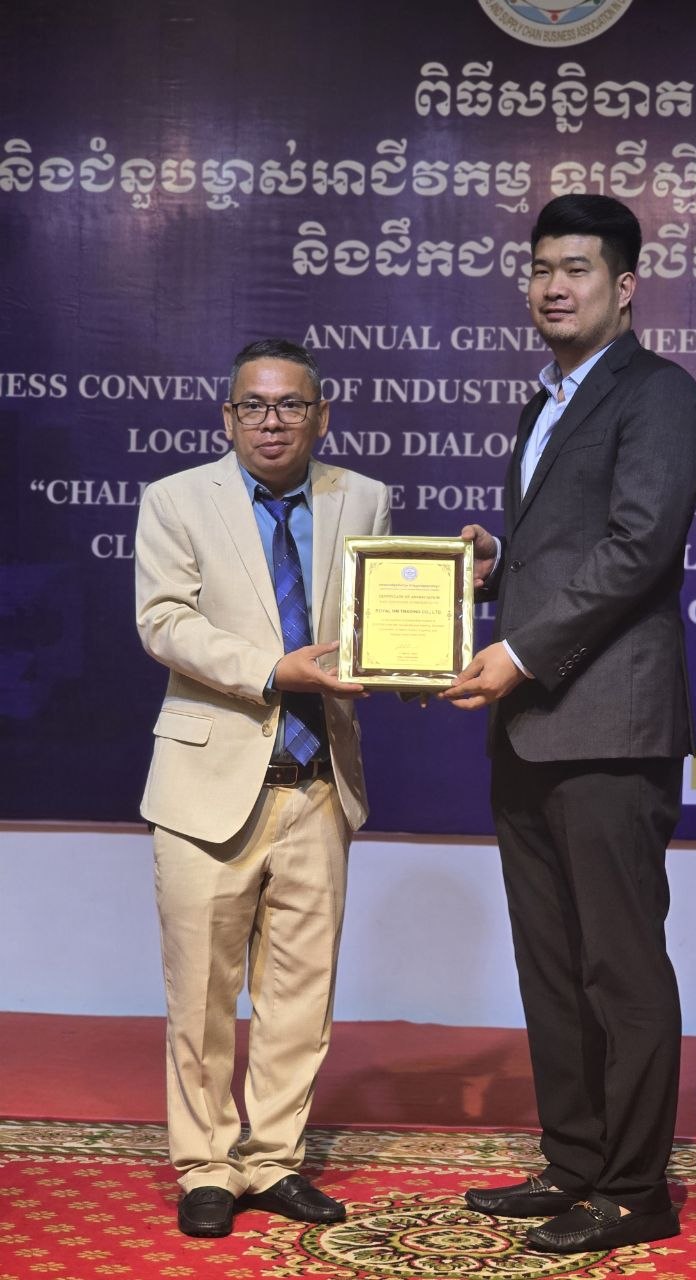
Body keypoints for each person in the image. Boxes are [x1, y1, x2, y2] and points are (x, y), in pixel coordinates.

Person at [440, 196, 696, 1254]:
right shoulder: (543, 402)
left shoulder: (660, 393)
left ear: (625, 285)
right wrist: (499, 567)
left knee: (619, 967)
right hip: (532, 727)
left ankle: (636, 1188)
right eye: (542, 268)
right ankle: (575, 1161)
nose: (554, 287)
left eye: (578, 269)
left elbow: (638, 549)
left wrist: (515, 650)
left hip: (608, 727)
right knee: (552, 963)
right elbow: (570, 549)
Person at [135, 338, 391, 1238]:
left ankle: (275, 1159)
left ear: (322, 416)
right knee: (201, 995)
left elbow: (381, 619)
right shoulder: (175, 500)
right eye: (254, 405)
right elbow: (163, 622)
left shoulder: (364, 498)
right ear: (228, 416)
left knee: (299, 997)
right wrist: (273, 670)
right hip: (207, 784)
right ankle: (207, 1166)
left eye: (290, 405)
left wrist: (444, 609)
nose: (271, 421)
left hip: (320, 783)